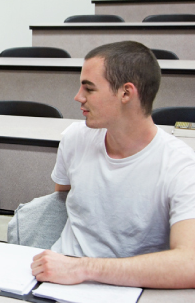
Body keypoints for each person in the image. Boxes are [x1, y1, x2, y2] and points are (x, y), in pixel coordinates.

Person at [30, 41, 195, 288]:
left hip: (126, 288)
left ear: (126, 93)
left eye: (89, 89)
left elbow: (189, 264)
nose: (78, 97)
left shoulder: (180, 166)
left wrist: (84, 268)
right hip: (58, 279)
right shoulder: (75, 138)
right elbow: (61, 201)